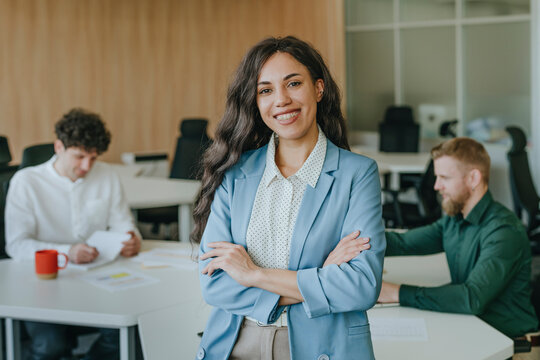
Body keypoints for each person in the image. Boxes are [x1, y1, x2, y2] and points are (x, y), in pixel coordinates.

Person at [192, 36, 385, 360]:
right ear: (255, 101)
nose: (281, 99)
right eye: (265, 90)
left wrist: (254, 274)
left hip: (321, 345)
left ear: (318, 89)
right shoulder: (235, 174)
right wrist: (320, 274)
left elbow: (361, 286)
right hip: (235, 343)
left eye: (293, 83)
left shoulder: (357, 174)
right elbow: (214, 285)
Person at [5, 108, 141, 359]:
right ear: (59, 147)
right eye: (79, 157)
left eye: (93, 157)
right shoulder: (26, 182)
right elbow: (17, 245)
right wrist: (68, 253)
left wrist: (131, 239)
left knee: (127, 336)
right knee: (50, 346)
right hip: (42, 285)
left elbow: (124, 224)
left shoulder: (107, 175)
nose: (86, 166)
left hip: (98, 280)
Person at [378, 137, 538, 338]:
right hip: (475, 328)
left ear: (473, 178)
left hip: (511, 342)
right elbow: (402, 243)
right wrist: (352, 241)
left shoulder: (504, 231)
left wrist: (396, 293)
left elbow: (472, 298)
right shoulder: (455, 220)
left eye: (444, 177)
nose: (436, 186)